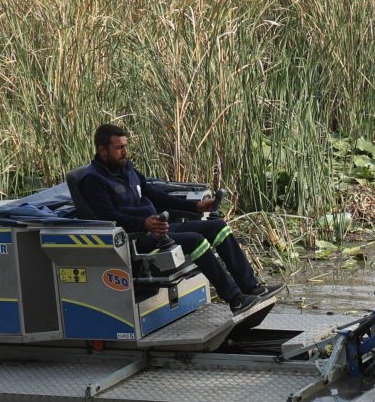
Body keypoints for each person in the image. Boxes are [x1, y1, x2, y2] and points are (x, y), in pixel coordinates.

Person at [72, 123, 267, 308]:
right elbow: (108, 218)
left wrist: (195, 206)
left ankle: (251, 287)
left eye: (125, 146)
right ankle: (236, 300)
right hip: (136, 239)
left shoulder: (126, 167)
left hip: (157, 229)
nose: (125, 152)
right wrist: (143, 224)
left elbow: (154, 194)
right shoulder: (93, 180)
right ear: (103, 150)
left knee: (218, 227)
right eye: (119, 148)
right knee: (196, 240)